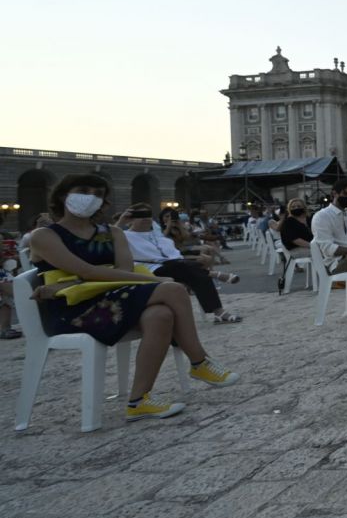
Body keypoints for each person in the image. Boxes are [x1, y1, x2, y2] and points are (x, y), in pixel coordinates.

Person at [28, 174, 239, 421]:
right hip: (74, 311)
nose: (91, 198)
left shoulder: (113, 233)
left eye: (98, 194)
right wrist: (154, 280)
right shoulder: (44, 235)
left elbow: (125, 273)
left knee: (161, 315)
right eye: (84, 190)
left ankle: (139, 400)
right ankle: (199, 361)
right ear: (64, 195)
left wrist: (77, 281)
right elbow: (87, 270)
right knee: (172, 289)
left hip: (113, 299)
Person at [122, 205, 243, 323]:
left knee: (196, 273)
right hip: (152, 268)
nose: (145, 218)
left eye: (147, 215)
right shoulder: (124, 235)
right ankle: (214, 276)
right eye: (140, 215)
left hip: (176, 265)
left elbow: (173, 250)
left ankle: (218, 311)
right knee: (192, 269)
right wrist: (121, 220)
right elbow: (108, 236)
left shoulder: (156, 234)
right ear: (131, 219)